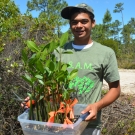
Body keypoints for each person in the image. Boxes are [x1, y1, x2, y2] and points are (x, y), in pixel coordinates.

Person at [22, 3, 121, 135]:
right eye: (74, 22)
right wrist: (35, 100)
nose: (79, 25)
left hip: (88, 123)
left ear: (93, 23)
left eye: (84, 21)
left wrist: (97, 106)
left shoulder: (105, 53)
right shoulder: (59, 52)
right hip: (58, 123)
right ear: (70, 25)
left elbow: (115, 89)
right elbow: (51, 88)